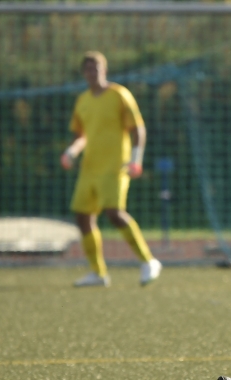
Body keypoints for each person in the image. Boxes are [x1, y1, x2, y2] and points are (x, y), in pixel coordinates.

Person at [60, 51, 161, 288]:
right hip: (89, 168)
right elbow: (81, 136)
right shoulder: (82, 100)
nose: (92, 73)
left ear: (104, 70)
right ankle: (98, 273)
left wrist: (136, 159)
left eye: (96, 68)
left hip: (116, 165)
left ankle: (149, 261)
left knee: (114, 213)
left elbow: (138, 129)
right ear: (83, 73)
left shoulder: (119, 95)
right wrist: (71, 152)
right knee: (83, 217)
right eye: (88, 69)